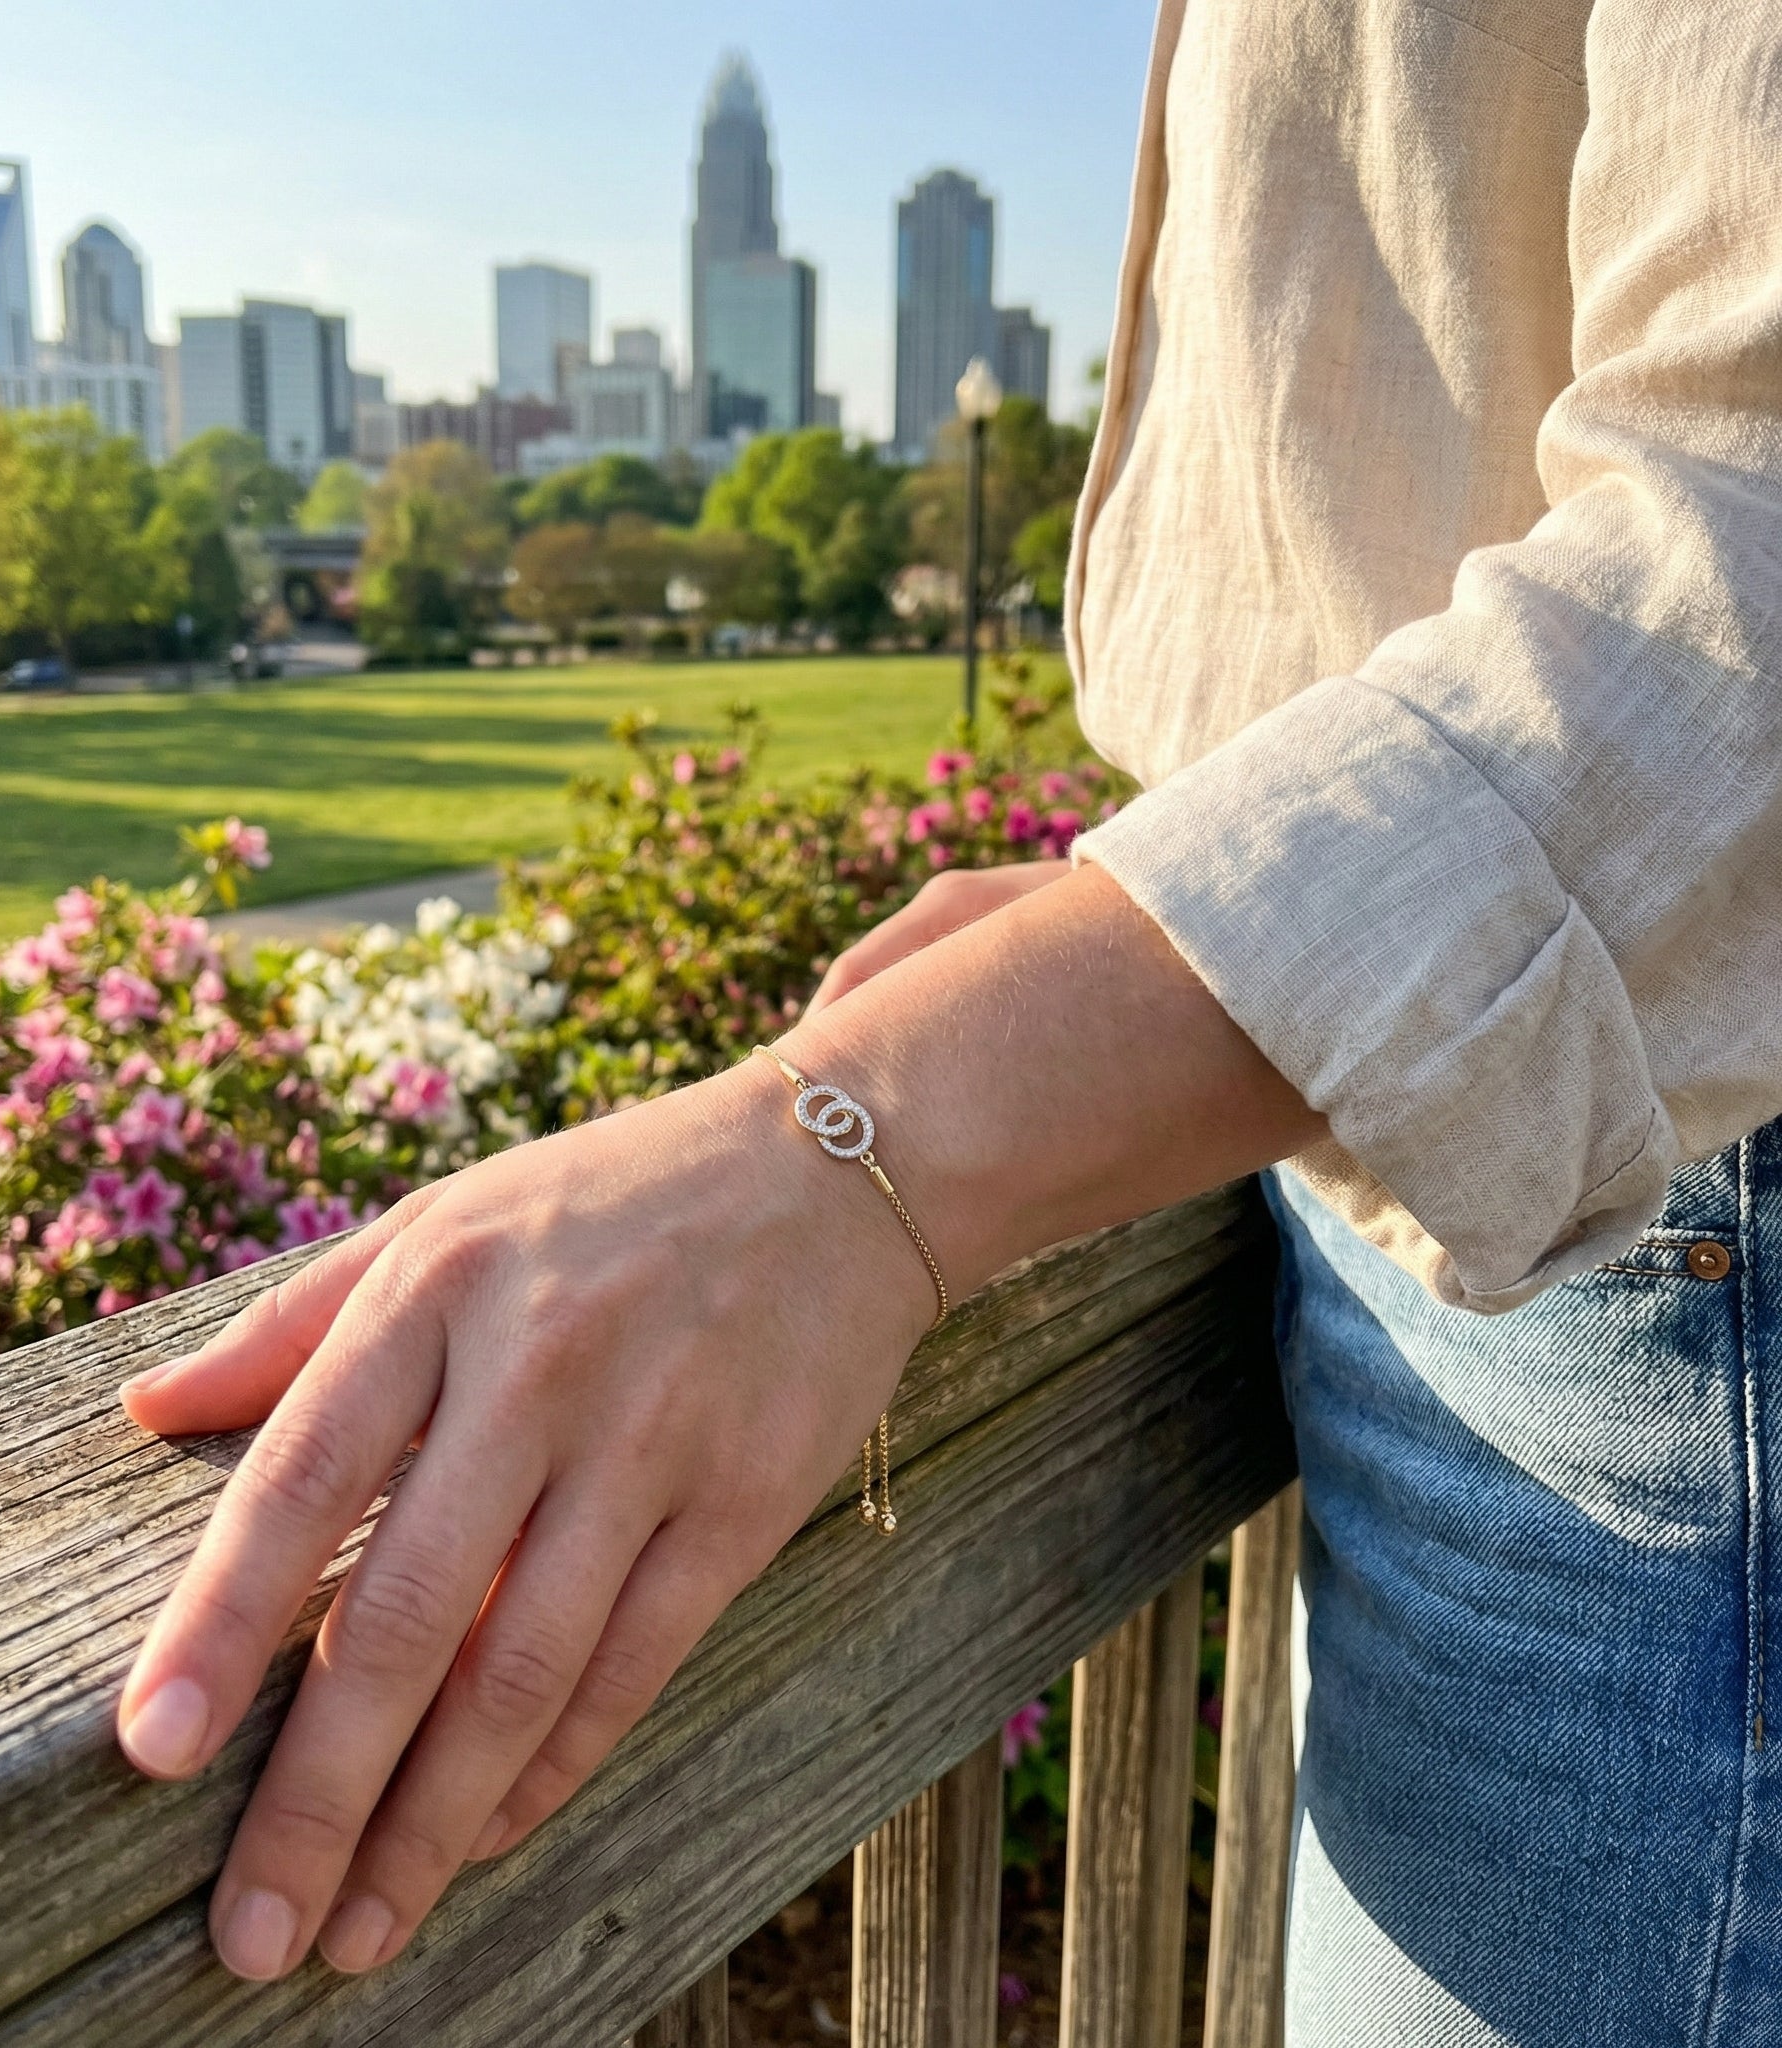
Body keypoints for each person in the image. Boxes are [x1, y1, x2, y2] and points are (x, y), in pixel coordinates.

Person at [115, 1, 1782, 2036]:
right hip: (1483, 1156)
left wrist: (868, 1140)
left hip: (1675, 1237)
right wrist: (1166, 907)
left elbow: (1743, 556)